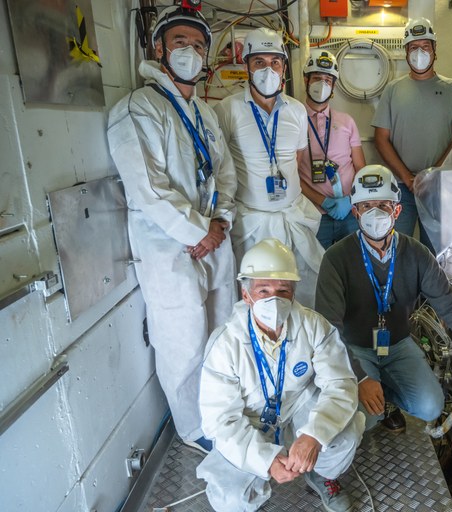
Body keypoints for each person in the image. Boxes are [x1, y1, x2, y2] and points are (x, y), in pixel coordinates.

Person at [107, 5, 236, 453]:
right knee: (182, 338)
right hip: (170, 247)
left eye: (199, 44)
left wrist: (220, 223)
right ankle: (194, 427)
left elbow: (225, 174)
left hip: (214, 239)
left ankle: (225, 411)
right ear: (158, 47)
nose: (190, 51)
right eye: (180, 41)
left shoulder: (204, 111)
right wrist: (198, 231)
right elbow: (148, 189)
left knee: (222, 327)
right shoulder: (138, 108)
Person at [315, 165, 452, 433]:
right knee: (362, 418)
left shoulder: (417, 254)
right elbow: (327, 328)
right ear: (355, 212)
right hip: (354, 348)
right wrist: (362, 377)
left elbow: (450, 303)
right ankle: (375, 393)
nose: (375, 213)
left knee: (430, 406)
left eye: (383, 205)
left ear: (397, 211)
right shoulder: (336, 258)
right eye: (366, 206)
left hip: (398, 344)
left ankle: (385, 396)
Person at [197, 239, 364, 512]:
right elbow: (220, 421)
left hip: (298, 412)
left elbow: (340, 384)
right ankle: (260, 479)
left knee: (347, 432)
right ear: (246, 294)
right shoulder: (225, 344)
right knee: (229, 501)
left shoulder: (314, 326)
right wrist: (265, 461)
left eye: (282, 290)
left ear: (294, 293)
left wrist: (314, 435)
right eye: (263, 290)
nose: (273, 299)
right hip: (251, 424)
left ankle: (320, 475)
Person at [214, 27, 324, 308]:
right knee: (257, 299)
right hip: (251, 224)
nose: (268, 70)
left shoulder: (297, 110)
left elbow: (296, 160)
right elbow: (221, 166)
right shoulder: (227, 110)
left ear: (284, 66)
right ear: (247, 66)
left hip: (292, 218)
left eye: (275, 62)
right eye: (259, 62)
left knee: (304, 296)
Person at [372, 17, 452, 254]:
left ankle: (431, 293)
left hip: (439, 188)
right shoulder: (393, 90)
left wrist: (431, 176)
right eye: (414, 47)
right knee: (398, 248)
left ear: (435, 50)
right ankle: (402, 292)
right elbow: (381, 139)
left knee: (437, 251)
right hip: (400, 187)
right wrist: (408, 178)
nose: (420, 53)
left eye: (425, 47)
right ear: (406, 52)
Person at [297, 50, 366, 248]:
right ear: (306, 80)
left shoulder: (347, 121)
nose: (322, 84)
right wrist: (323, 201)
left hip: (349, 212)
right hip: (313, 213)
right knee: (318, 270)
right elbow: (291, 173)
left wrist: (352, 199)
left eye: (328, 80)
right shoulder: (294, 118)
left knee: (352, 267)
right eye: (317, 78)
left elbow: (361, 167)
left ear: (334, 86)